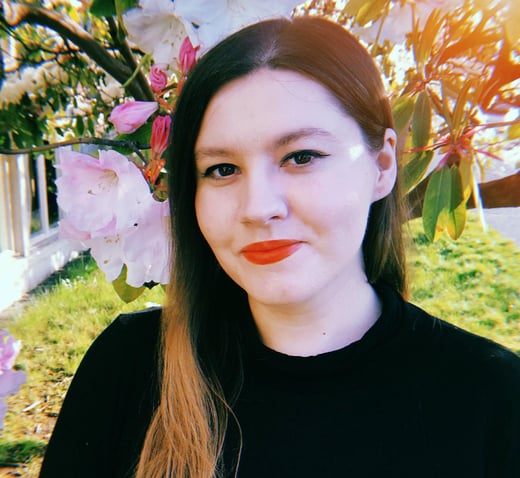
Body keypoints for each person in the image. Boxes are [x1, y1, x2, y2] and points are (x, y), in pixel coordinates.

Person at [40, 16, 520, 478]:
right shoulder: (130, 368)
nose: (258, 207)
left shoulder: (492, 399)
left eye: (301, 156)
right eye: (222, 169)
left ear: (383, 165)